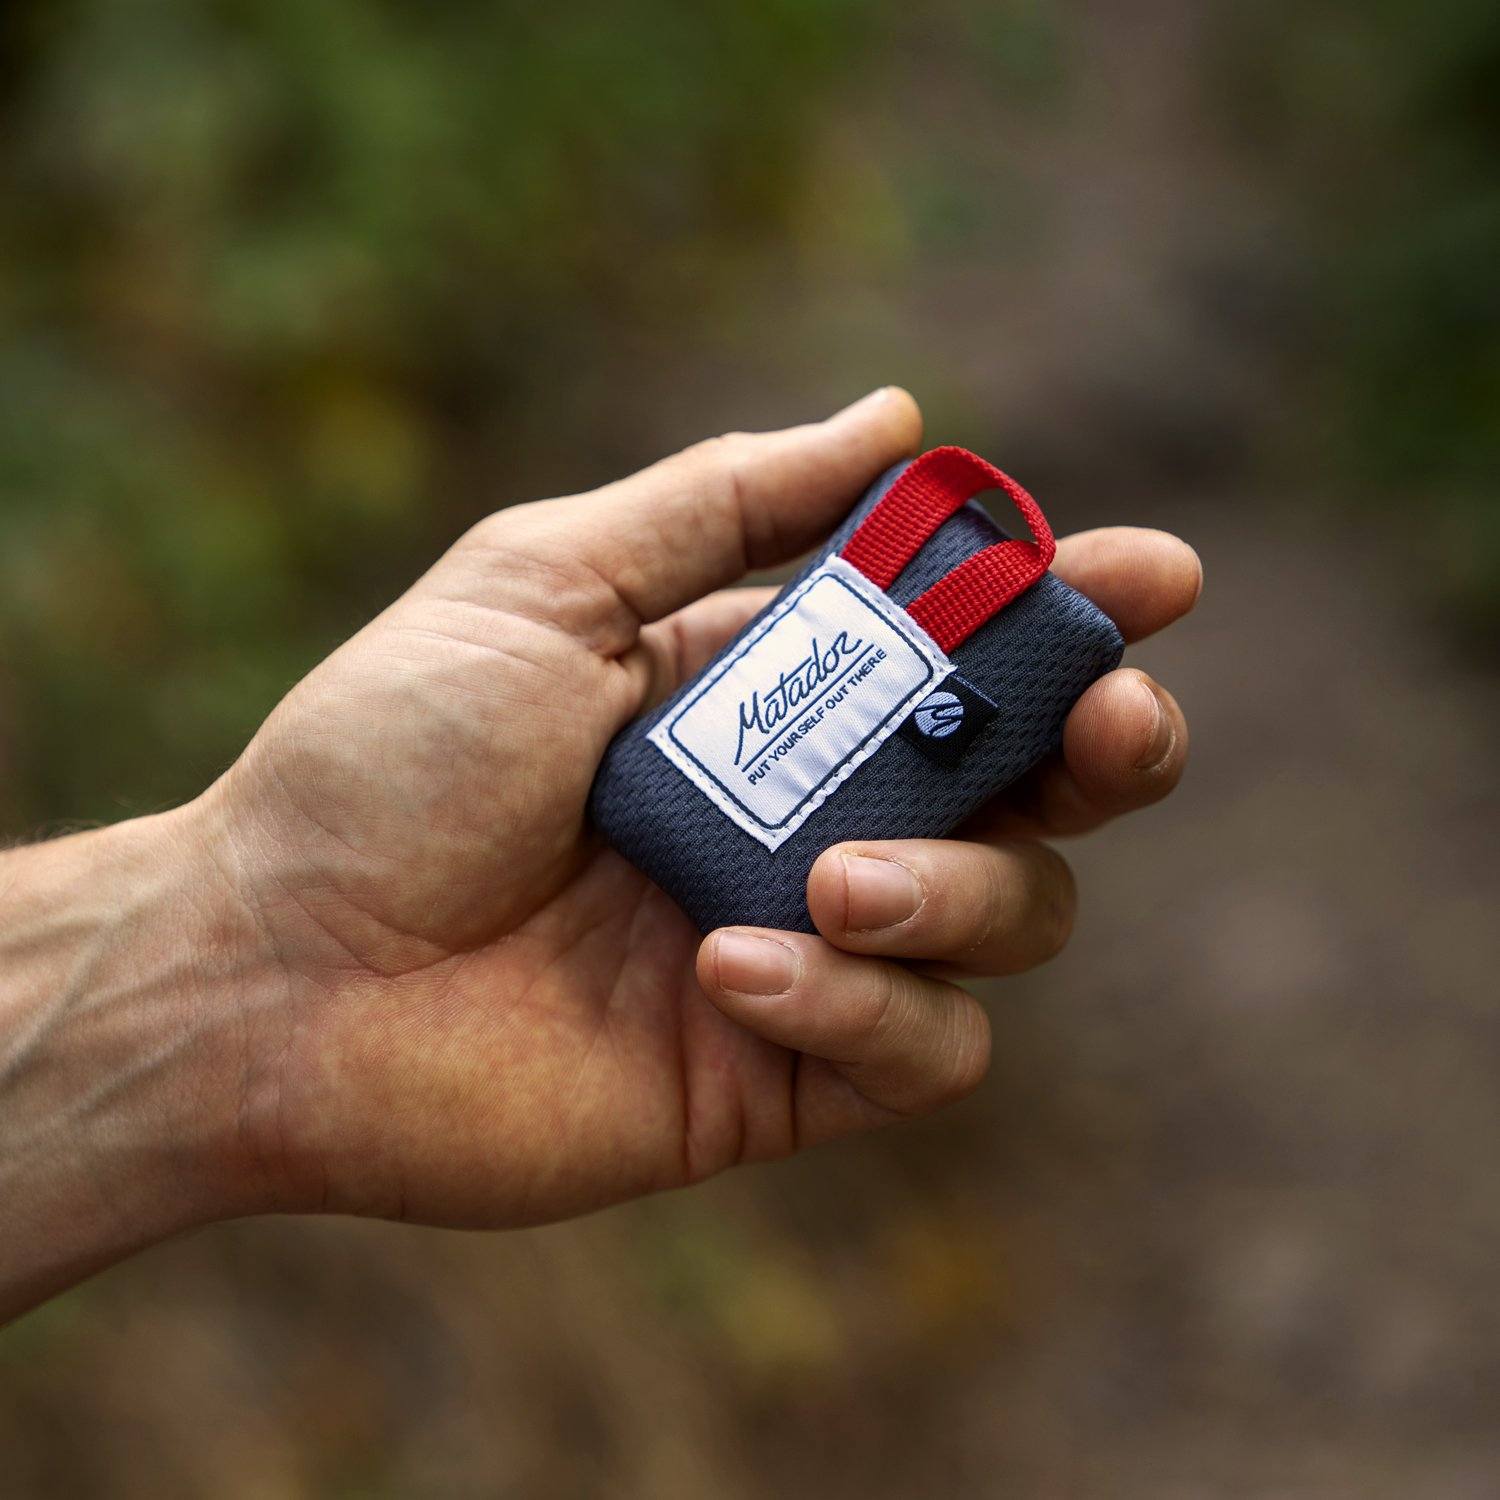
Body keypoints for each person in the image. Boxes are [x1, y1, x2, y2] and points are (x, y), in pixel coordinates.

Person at [0, 389, 1198, 1323]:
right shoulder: (899, 534)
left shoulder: (951, 572)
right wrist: (250, 934)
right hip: (651, 851)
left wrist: (233, 975)